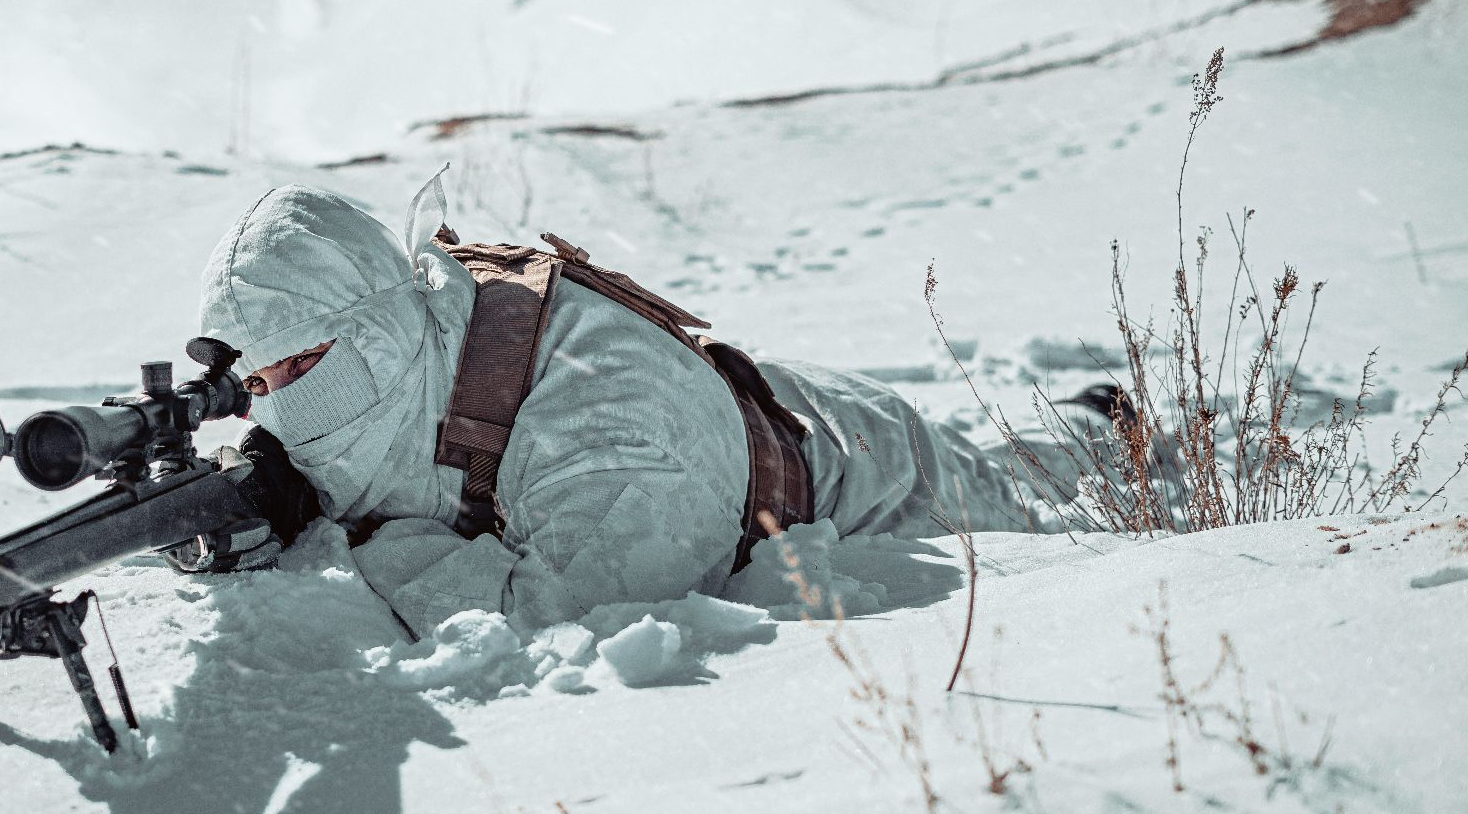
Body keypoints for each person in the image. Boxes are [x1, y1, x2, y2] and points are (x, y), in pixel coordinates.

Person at [195, 179, 1094, 638]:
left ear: (380, 325)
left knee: (1048, 488)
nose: (285, 408)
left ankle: (1103, 427)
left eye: (304, 364)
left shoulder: (608, 419)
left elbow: (567, 614)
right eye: (261, 385)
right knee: (1020, 455)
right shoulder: (420, 333)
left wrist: (362, 534)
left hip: (877, 475)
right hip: (775, 404)